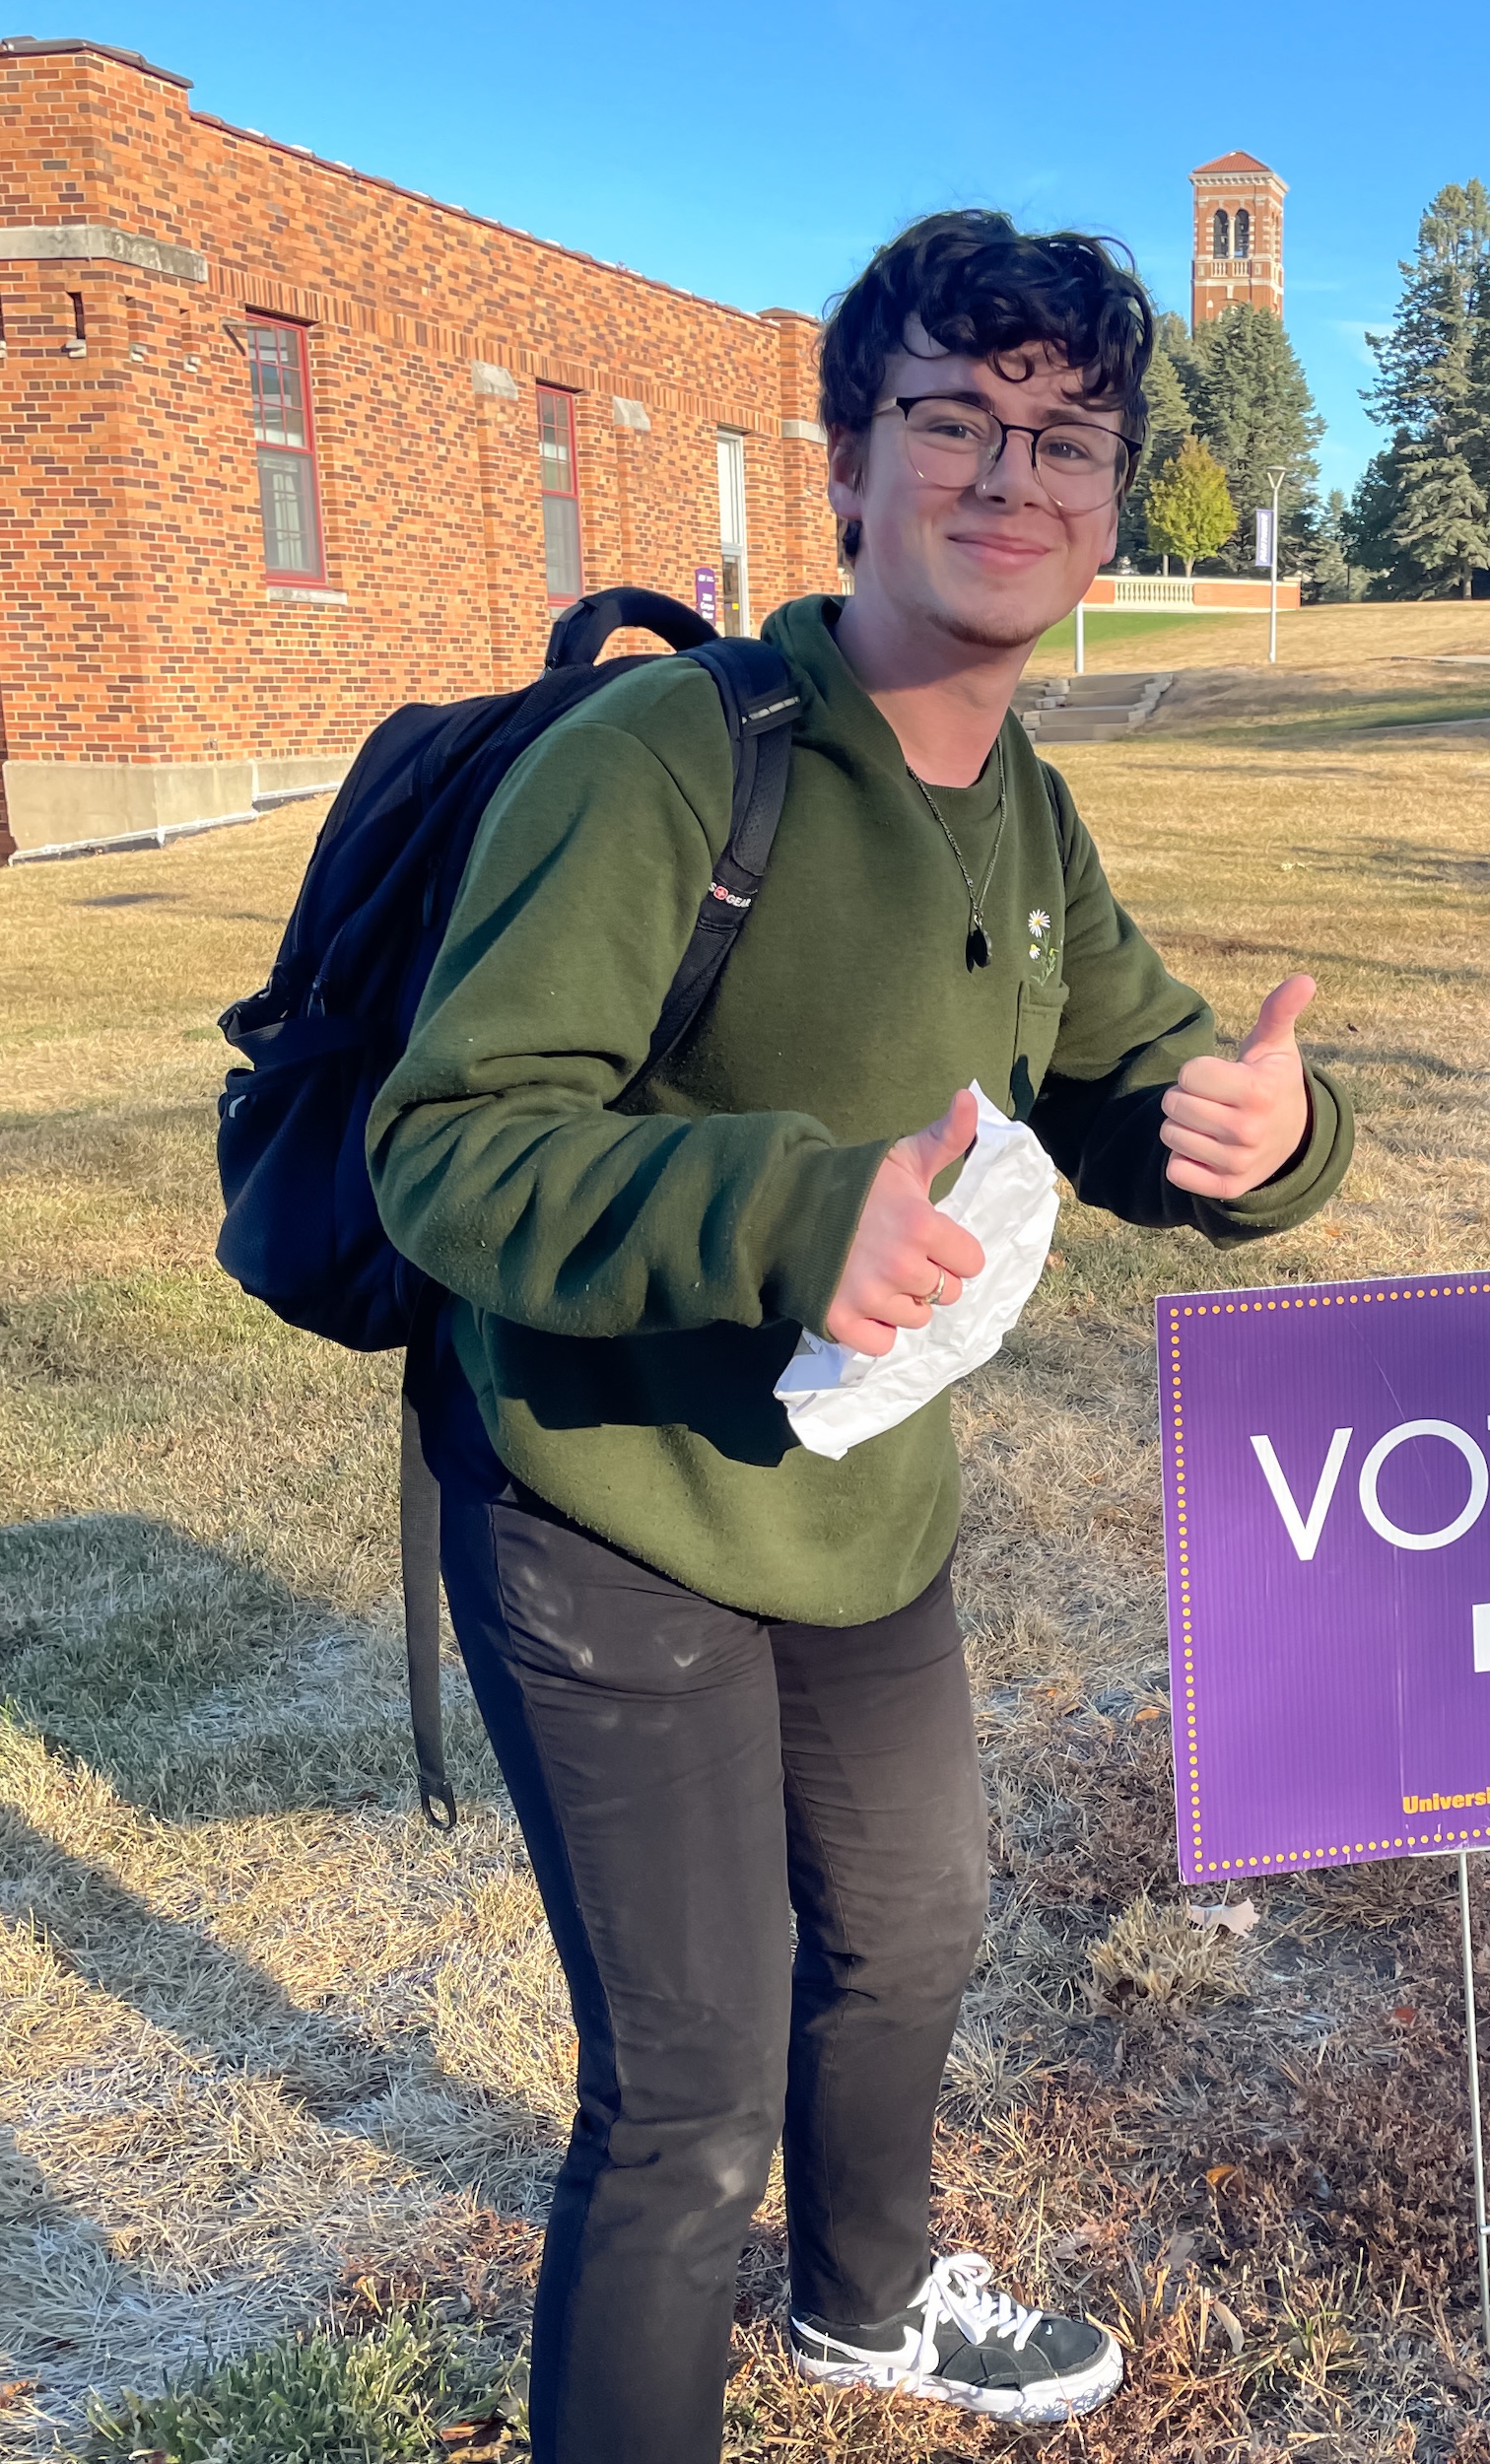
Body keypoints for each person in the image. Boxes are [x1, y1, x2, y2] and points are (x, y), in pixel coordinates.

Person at [368, 211, 1351, 2462]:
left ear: (1110, 505)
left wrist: (1264, 1129)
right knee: (683, 2099)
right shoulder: (658, 761)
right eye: (954, 420)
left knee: (917, 1929)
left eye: (1067, 437)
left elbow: (1136, 1080)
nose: (1012, 476)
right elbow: (451, 1148)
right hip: (610, 1503)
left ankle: (870, 2301)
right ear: (843, 461)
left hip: (861, 1512)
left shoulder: (1021, 802)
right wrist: (791, 1207)